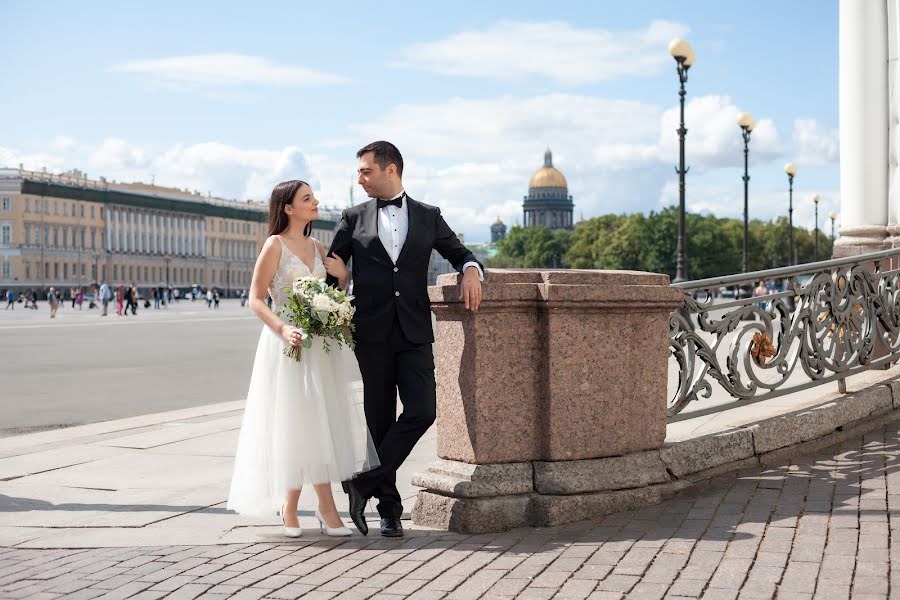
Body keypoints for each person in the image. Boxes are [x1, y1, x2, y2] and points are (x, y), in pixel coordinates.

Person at [326, 141, 483, 537]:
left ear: (390, 169)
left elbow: (461, 252)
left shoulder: (429, 217)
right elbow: (332, 275)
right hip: (371, 333)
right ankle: (390, 511)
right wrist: (331, 293)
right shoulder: (352, 217)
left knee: (422, 410)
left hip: (413, 332)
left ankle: (362, 483)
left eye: (365, 171)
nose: (359, 178)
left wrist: (470, 270)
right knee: (378, 421)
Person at [228, 179, 378, 538]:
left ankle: (295, 506)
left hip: (318, 346)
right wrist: (283, 330)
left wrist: (342, 279)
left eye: (313, 197)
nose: (316, 202)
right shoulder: (274, 245)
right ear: (288, 209)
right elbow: (255, 299)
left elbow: (328, 298)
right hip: (287, 345)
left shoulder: (317, 245)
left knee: (317, 423)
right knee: (296, 423)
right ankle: (320, 509)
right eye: (307, 198)